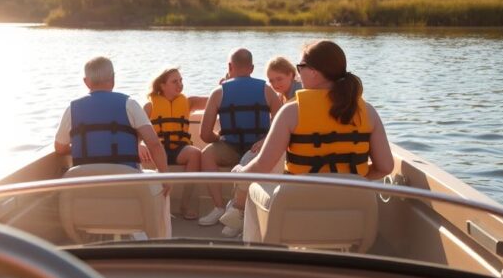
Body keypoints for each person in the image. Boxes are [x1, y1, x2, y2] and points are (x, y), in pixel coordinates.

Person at [223, 40, 394, 234]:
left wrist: (239, 174)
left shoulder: (291, 111)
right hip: (350, 211)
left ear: (313, 71)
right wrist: (352, 179)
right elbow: (386, 167)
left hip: (298, 209)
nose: (298, 73)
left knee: (253, 187)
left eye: (300, 67)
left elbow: (263, 165)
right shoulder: (368, 111)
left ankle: (258, 253)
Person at [54, 56, 171, 196]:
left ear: (86, 82)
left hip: (85, 184)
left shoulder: (71, 109)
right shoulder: (130, 104)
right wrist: (165, 177)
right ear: (113, 78)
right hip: (126, 182)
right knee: (159, 185)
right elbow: (154, 144)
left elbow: (60, 148)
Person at [197, 48, 282, 227]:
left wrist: (219, 140)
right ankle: (245, 212)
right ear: (251, 68)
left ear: (230, 66)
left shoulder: (218, 92)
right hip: (258, 150)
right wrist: (264, 140)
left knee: (207, 154)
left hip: (231, 147)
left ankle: (218, 207)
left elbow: (204, 134)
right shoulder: (267, 90)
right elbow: (281, 126)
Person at [141, 67, 208, 219]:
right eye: (174, 81)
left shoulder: (188, 102)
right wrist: (141, 145)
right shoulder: (149, 106)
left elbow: (214, 100)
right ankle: (158, 207)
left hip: (179, 149)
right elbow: (137, 131)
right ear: (162, 86)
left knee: (195, 154)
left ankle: (184, 205)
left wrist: (224, 85)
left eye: (181, 81)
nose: (180, 84)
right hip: (158, 150)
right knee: (152, 151)